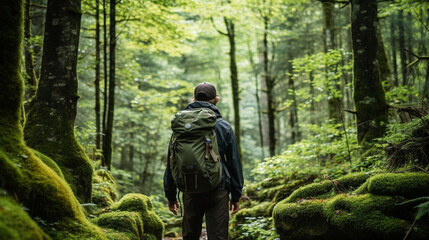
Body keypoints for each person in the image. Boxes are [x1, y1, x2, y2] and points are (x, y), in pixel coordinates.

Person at [164, 82, 244, 240]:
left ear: (193, 99)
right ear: (216, 100)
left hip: (189, 186)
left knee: (190, 236)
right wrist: (236, 195)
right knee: (218, 236)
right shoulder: (223, 127)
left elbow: (171, 161)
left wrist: (171, 195)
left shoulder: (181, 127)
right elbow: (233, 162)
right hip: (218, 189)